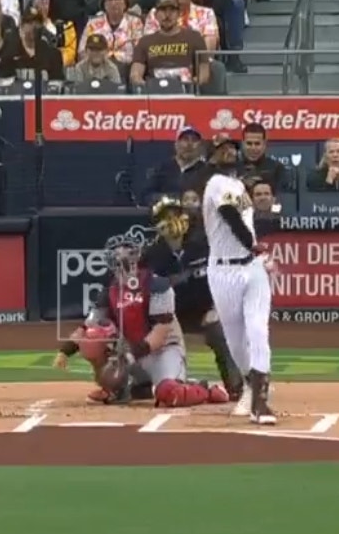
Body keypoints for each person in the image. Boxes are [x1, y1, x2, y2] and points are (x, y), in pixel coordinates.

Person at [55, 236, 231, 407]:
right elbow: (89, 325)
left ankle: (205, 389)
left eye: (125, 256)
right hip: (132, 353)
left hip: (163, 351)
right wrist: (66, 351)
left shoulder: (157, 285)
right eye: (117, 256)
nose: (122, 261)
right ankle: (119, 388)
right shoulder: (110, 289)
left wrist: (130, 357)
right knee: (92, 338)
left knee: (169, 393)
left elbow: (160, 334)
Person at [200, 133, 275, 424]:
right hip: (223, 271)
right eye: (221, 149)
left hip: (252, 268)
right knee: (234, 339)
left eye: (232, 147)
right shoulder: (216, 183)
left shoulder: (240, 185)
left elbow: (245, 219)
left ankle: (260, 401)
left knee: (258, 330)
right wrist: (251, 244)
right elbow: (229, 215)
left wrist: (258, 253)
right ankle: (250, 385)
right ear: (212, 155)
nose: (228, 152)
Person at [141, 194, 244, 399]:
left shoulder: (204, 246)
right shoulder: (151, 255)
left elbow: (225, 280)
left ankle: (236, 387)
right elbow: (143, 294)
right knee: (139, 332)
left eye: (176, 215)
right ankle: (140, 383)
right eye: (165, 217)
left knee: (220, 330)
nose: (172, 221)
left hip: (203, 311)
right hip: (167, 317)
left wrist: (216, 307)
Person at [130, 0, 209, 88]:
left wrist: (194, 84)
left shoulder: (194, 37)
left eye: (172, 10)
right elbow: (135, 74)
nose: (167, 15)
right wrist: (144, 84)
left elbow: (204, 72)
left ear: (179, 13)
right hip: (154, 93)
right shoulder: (145, 41)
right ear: (155, 15)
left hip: (186, 93)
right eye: (163, 10)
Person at [81, 0, 146, 66]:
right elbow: (82, 51)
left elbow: (140, 53)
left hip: (126, 68)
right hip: (98, 67)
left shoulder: (135, 22)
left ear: (125, 2)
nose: (113, 3)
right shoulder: (93, 24)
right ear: (104, 4)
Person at [0, 6, 67, 84]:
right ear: (22, 25)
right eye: (29, 23)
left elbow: (57, 83)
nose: (34, 26)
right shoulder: (9, 51)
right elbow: (4, 83)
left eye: (37, 22)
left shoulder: (52, 54)